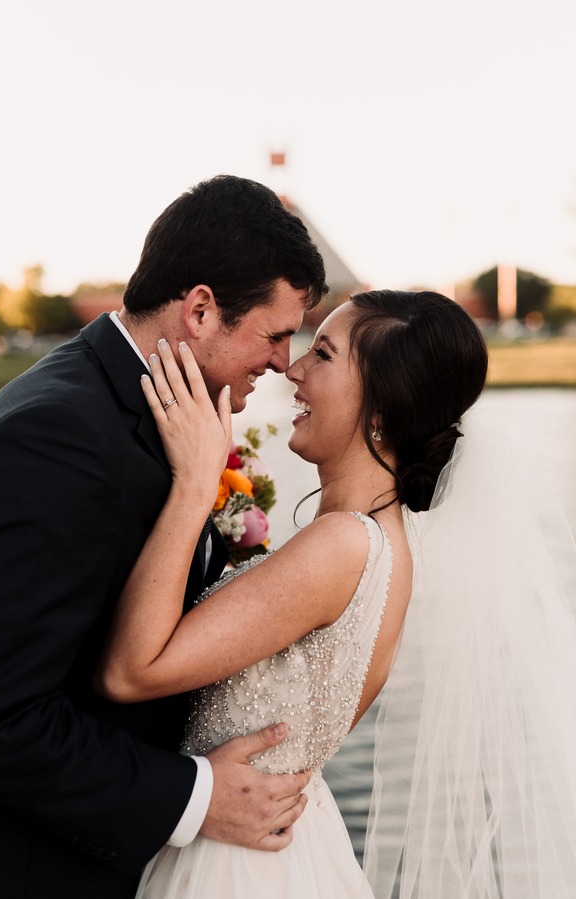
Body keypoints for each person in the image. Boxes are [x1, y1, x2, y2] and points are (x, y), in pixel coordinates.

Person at [0, 174, 328, 899]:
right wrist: (196, 797)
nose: (283, 362)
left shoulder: (139, 409)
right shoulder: (62, 435)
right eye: (274, 333)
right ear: (201, 309)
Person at [95, 289, 491, 898]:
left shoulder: (341, 546)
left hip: (233, 866)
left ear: (381, 407)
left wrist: (195, 484)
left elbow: (130, 671)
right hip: (284, 844)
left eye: (324, 355)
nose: (294, 368)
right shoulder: (389, 545)